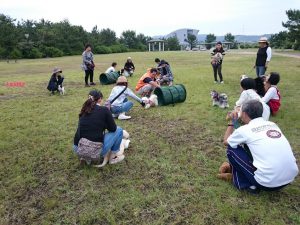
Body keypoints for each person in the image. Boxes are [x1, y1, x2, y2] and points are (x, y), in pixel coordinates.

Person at [219, 100, 298, 193]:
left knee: (231, 148)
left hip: (267, 183)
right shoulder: (272, 125)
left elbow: (226, 141)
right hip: (289, 179)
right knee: (250, 147)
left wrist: (232, 122)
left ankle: (246, 185)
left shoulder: (245, 130)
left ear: (244, 114)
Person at [73, 90, 125, 165]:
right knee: (119, 130)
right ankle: (112, 158)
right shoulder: (104, 110)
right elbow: (113, 129)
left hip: (77, 147)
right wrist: (107, 115)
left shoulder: (84, 109)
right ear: (100, 99)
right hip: (94, 149)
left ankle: (84, 157)